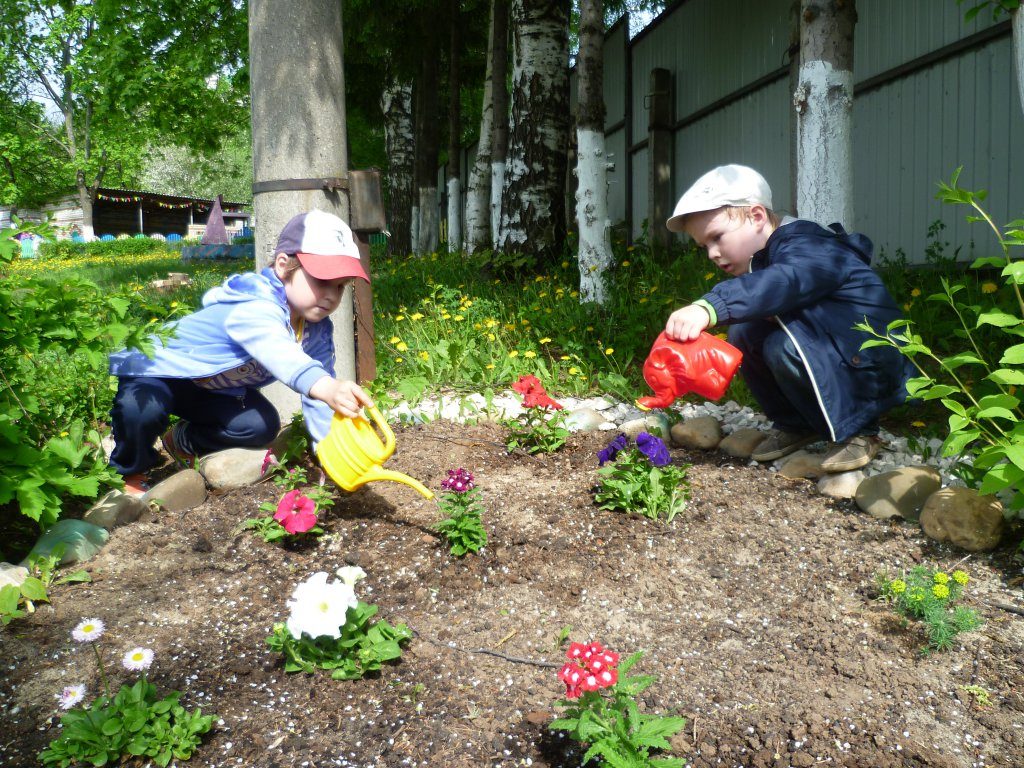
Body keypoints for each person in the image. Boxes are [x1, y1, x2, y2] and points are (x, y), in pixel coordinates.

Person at [663, 164, 913, 472]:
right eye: (705, 246)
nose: (712, 253)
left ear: (756, 216)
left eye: (717, 237)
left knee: (784, 345)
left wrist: (710, 306)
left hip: (873, 360)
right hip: (844, 354)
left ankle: (859, 430)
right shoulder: (768, 256)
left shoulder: (809, 246)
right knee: (745, 332)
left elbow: (785, 281)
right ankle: (797, 423)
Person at [108, 209, 374, 495]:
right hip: (160, 372)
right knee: (141, 410)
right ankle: (130, 470)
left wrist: (326, 450)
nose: (331, 296)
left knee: (260, 426)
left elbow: (319, 397)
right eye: (322, 281)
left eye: (340, 286)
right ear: (284, 265)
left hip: (209, 390)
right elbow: (278, 350)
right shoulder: (254, 304)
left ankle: (182, 440)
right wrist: (326, 387)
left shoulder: (316, 327)